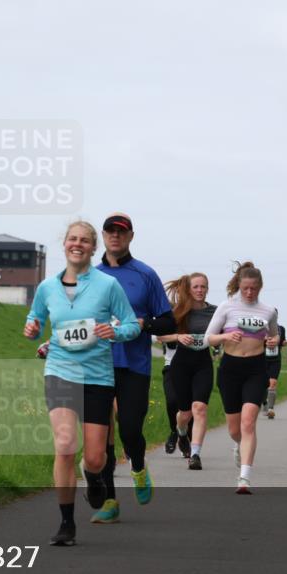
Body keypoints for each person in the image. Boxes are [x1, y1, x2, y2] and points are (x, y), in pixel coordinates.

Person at [24, 221, 140, 545]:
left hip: (98, 377)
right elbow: (35, 317)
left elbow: (131, 324)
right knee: (64, 446)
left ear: (93, 248)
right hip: (60, 371)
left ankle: (93, 476)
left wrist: (115, 332)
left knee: (94, 458)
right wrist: (33, 327)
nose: (78, 244)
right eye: (73, 239)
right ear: (65, 244)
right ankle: (66, 524)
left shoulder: (107, 285)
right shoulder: (47, 287)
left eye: (85, 241)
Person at [92, 213, 175, 523]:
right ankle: (110, 500)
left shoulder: (145, 275)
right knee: (100, 435)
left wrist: (145, 323)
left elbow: (168, 320)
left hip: (134, 365)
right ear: (103, 235)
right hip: (96, 364)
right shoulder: (90, 275)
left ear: (130, 237)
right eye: (110, 231)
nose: (115, 236)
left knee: (129, 429)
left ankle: (138, 465)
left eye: (121, 232)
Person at [205, 262, 279, 494]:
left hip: (256, 369)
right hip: (230, 369)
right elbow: (208, 338)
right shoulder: (227, 307)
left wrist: (274, 341)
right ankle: (238, 444)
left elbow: (274, 337)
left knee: (249, 421)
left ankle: (244, 477)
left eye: (254, 288)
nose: (249, 292)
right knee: (235, 429)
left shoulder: (268, 311)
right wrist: (226, 336)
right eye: (246, 288)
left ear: (260, 287)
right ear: (239, 285)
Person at [161, 273, 217, 471]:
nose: (200, 290)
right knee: (184, 413)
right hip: (181, 364)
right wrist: (177, 336)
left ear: (207, 289)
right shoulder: (179, 312)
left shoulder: (214, 312)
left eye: (203, 286)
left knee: (199, 408)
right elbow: (160, 336)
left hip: (203, 364)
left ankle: (195, 454)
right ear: (189, 289)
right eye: (196, 287)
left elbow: (224, 331)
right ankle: (181, 432)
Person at [160, 342, 193, 457]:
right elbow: (154, 334)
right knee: (172, 400)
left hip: (192, 366)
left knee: (189, 406)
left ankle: (187, 438)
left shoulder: (193, 324)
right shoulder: (169, 324)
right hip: (170, 366)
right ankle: (174, 431)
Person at [263, 323, 287, 418]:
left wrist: (283, 342)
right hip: (262, 359)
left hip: (275, 360)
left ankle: (270, 409)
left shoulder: (281, 329)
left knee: (272, 383)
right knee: (263, 384)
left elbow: (283, 341)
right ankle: (264, 403)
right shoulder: (261, 327)